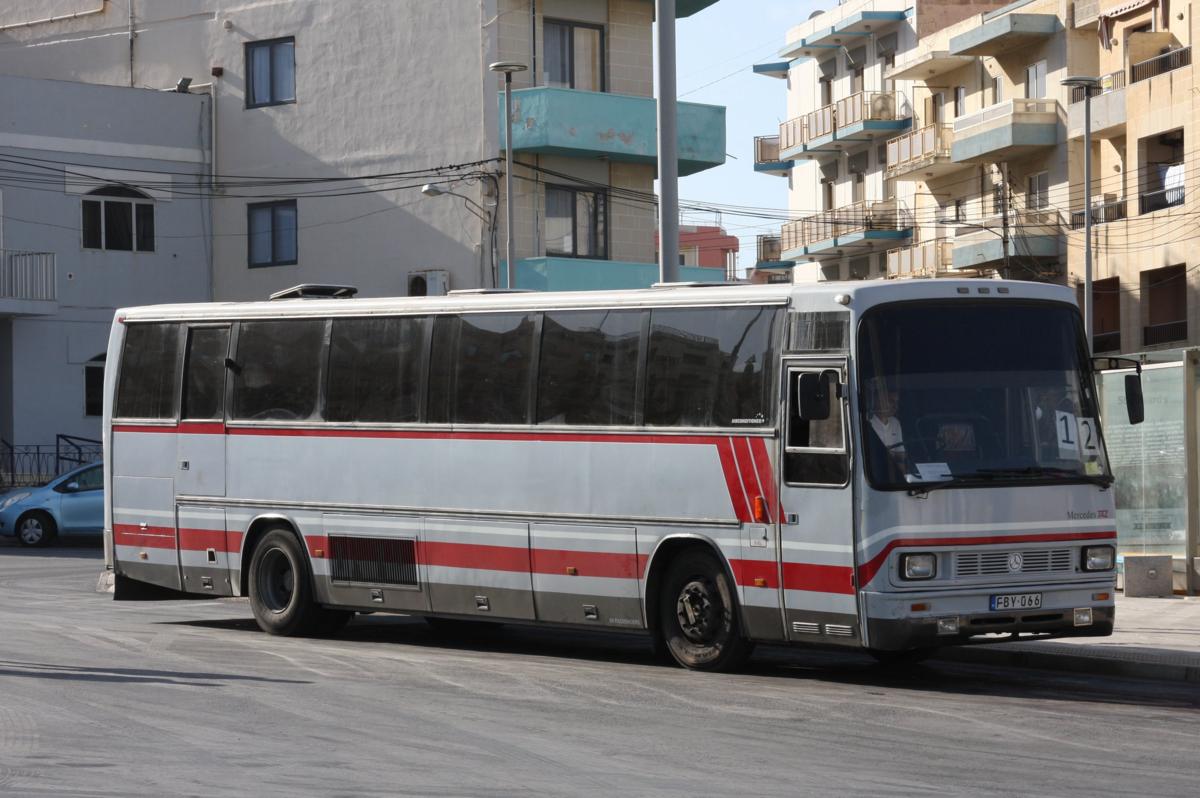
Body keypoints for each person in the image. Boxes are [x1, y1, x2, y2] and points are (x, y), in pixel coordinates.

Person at [870, 386, 906, 465]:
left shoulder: (895, 423)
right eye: (891, 401)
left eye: (896, 402)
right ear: (878, 401)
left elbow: (902, 455)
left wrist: (888, 453)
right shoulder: (868, 422)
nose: (895, 406)